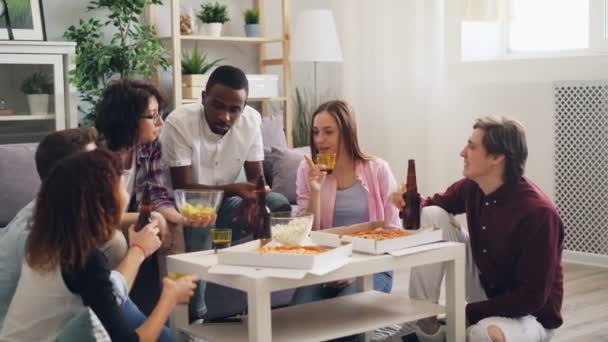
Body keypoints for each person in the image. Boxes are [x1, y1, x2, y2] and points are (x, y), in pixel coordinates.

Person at [391, 116, 563, 342]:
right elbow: (431, 204)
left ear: (496, 157)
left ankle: (462, 330)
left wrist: (466, 313)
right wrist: (408, 203)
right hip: (486, 285)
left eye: (472, 147)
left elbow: (531, 298)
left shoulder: (538, 214)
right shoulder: (474, 187)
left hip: (529, 315)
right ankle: (425, 325)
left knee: (481, 333)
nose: (463, 152)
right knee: (432, 215)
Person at [0, 149, 198, 342]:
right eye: (120, 186)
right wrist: (169, 297)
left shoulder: (48, 243)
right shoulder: (83, 259)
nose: (125, 194)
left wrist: (139, 250)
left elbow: (108, 295)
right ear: (104, 199)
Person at [160, 65, 291, 320]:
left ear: (243, 107)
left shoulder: (251, 121)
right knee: (202, 222)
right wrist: (235, 189)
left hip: (227, 203)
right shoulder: (179, 123)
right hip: (186, 206)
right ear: (203, 99)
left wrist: (255, 198)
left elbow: (255, 179)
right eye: (217, 106)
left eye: (235, 110)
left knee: (277, 205)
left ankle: (265, 291)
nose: (225, 117)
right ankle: (196, 317)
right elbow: (183, 187)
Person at [292, 100, 399, 305]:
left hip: (372, 265)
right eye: (315, 132)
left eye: (328, 132)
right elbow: (306, 235)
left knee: (344, 310)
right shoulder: (306, 170)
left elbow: (392, 231)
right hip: (324, 265)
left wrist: (355, 269)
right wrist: (315, 191)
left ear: (347, 132)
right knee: (297, 317)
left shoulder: (378, 169)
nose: (320, 140)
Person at [0, 128, 98, 329]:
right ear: (71, 177)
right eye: (95, 165)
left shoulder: (52, 208)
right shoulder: (39, 234)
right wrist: (138, 252)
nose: (104, 170)